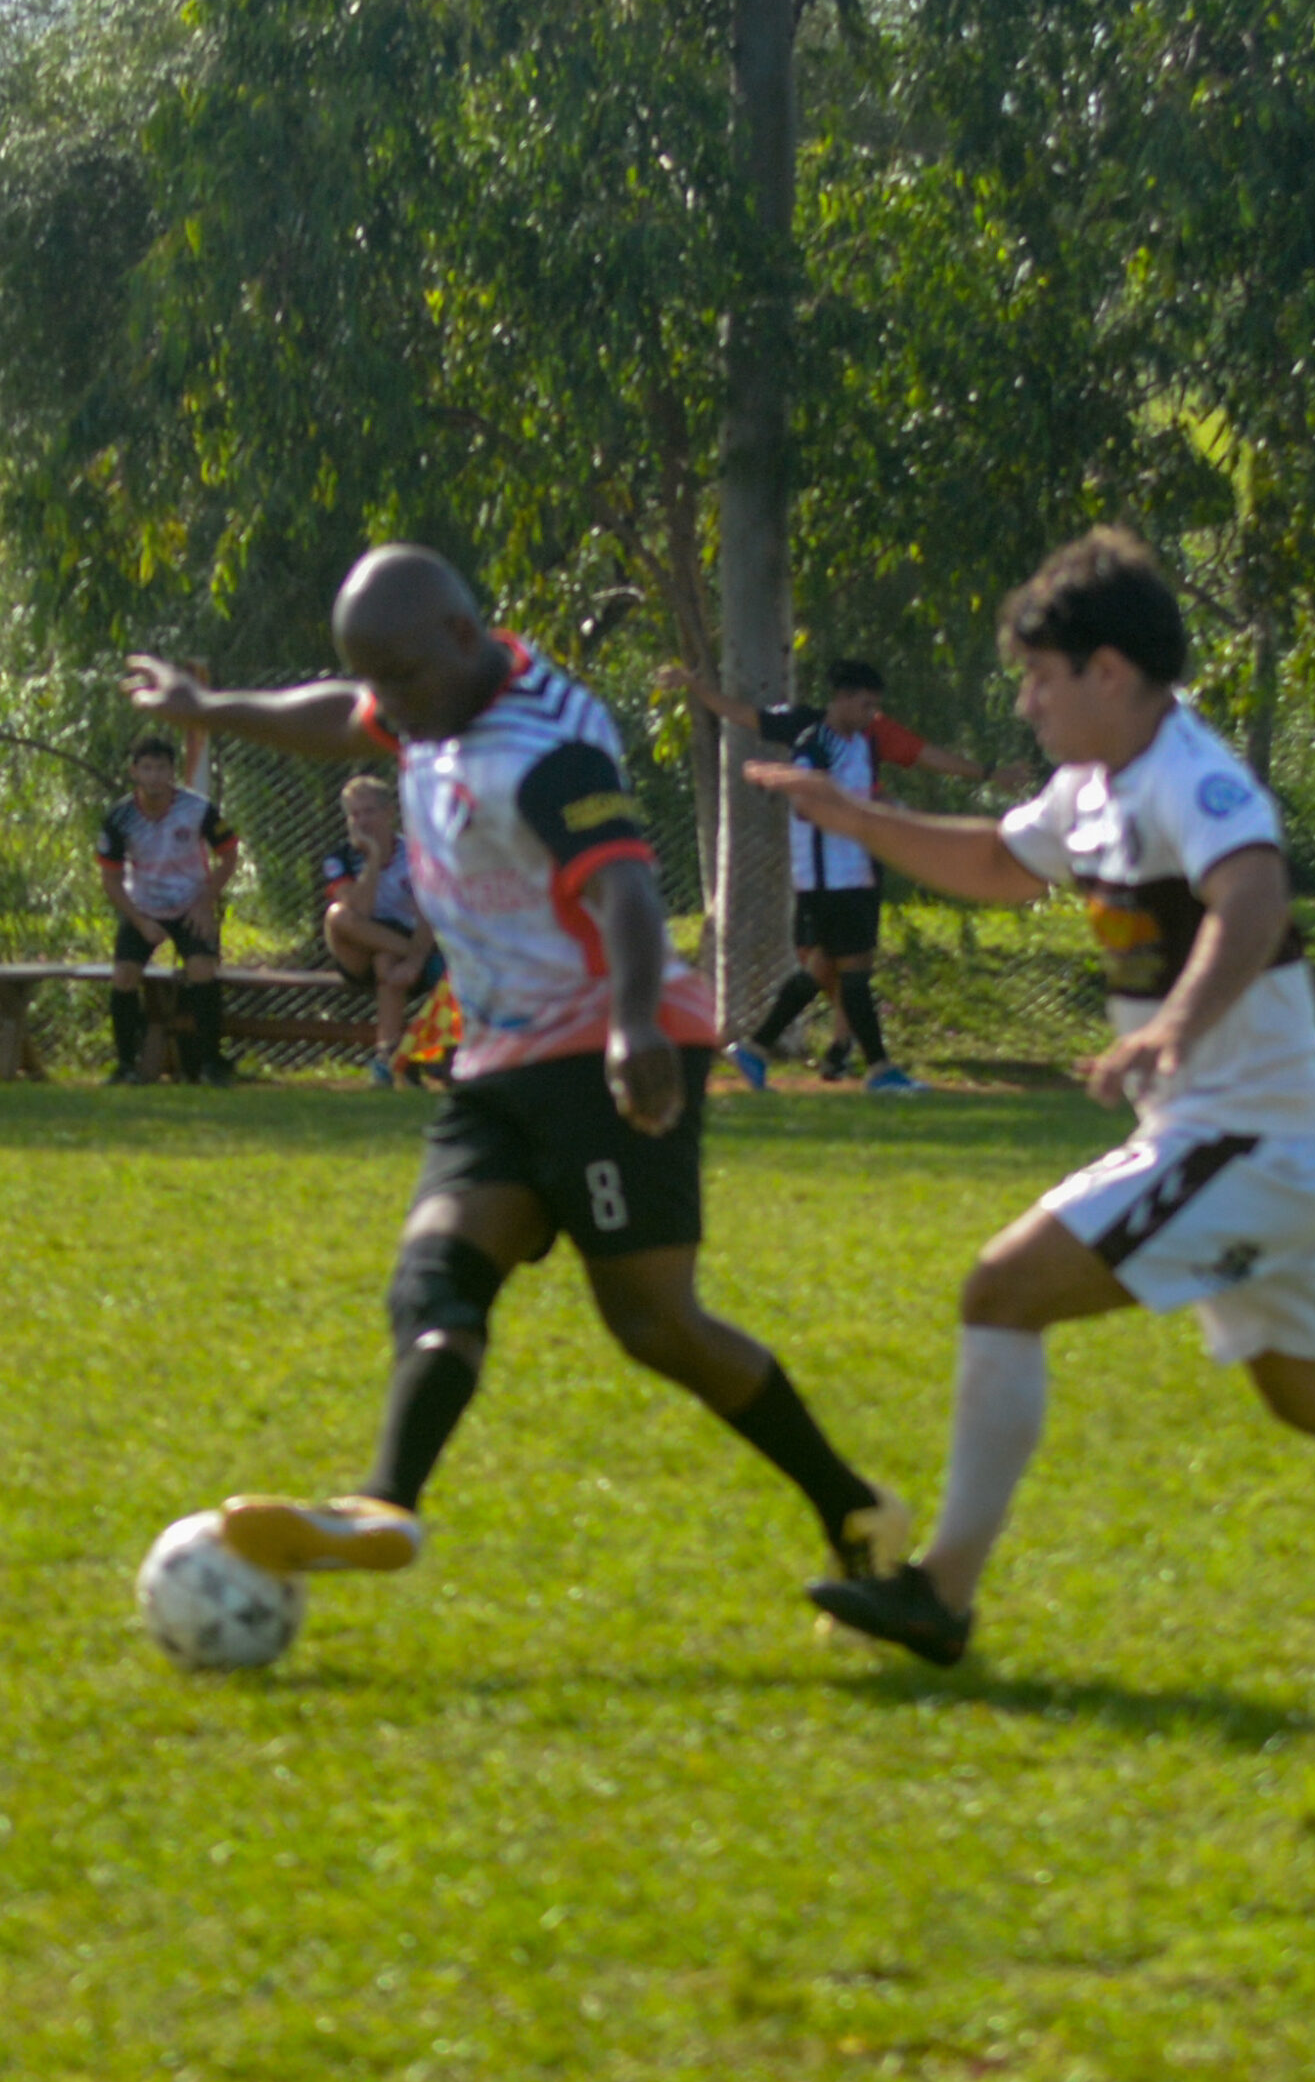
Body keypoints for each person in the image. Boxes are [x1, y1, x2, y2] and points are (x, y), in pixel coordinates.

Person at [747, 529, 1315, 1666]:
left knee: (1002, 1290)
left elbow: (1251, 899)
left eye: (1041, 678)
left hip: (1249, 1137)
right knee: (1311, 1395)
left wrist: (1173, 1028)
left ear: (1108, 672)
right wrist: (857, 821)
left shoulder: (1193, 776)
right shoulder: (1090, 784)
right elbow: (999, 864)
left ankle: (941, 1592)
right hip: (1272, 1136)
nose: (1028, 703)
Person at [121, 545, 907, 1598]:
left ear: (463, 636)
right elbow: (342, 712)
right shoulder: (431, 691)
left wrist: (634, 1027)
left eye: (400, 679)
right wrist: (207, 708)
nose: (389, 706)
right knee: (435, 1273)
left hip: (605, 1048)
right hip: (500, 1056)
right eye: (378, 682)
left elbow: (629, 894)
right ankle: (385, 1507)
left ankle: (857, 1510)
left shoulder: (548, 746)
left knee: (655, 1324)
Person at [655, 655, 989, 1093]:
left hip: (854, 870)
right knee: (853, 970)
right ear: (843, 698)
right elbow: (805, 803)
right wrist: (863, 810)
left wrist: (885, 809)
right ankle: (879, 1070)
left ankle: (755, 1049)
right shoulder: (814, 742)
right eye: (866, 705)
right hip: (829, 875)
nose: (872, 715)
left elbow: (861, 794)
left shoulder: (863, 743)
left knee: (822, 968)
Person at [97, 732, 242, 1086]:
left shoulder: (197, 808)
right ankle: (126, 1065)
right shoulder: (119, 816)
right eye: (147, 768)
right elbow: (110, 880)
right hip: (144, 907)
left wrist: (204, 903)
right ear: (134, 771)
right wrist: (139, 922)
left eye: (161, 768)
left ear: (172, 772)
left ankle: (210, 1063)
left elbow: (229, 855)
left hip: (190, 905)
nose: (154, 776)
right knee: (124, 975)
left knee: (202, 969)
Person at [320, 771, 441, 1085]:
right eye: (354, 814)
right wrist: (372, 858)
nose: (362, 820)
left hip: (405, 942)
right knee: (337, 916)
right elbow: (359, 912)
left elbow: (429, 912)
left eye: (369, 811)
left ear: (389, 813)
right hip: (360, 947)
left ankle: (387, 1056)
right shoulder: (340, 858)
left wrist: (414, 959)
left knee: (386, 962)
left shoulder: (415, 854)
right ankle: (399, 1056)